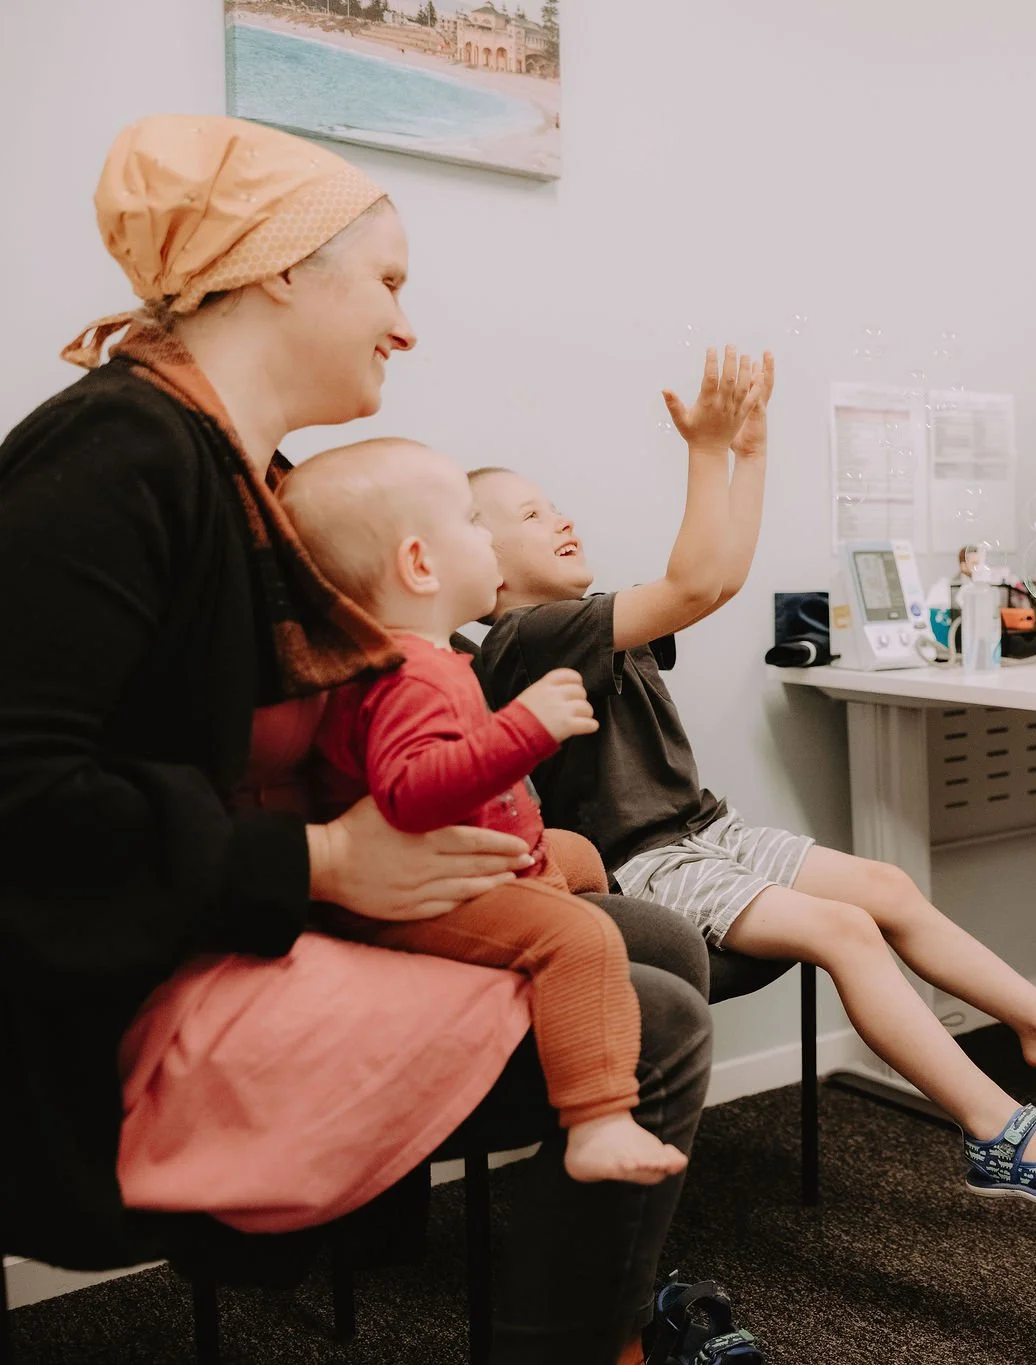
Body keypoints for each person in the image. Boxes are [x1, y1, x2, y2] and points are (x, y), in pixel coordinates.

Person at [0, 115, 714, 1365]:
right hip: (118, 980)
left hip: (231, 902)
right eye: (387, 280)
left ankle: (602, 1305)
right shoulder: (118, 453)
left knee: (652, 938)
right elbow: (21, 790)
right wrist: (324, 865)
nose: (405, 322)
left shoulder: (240, 466)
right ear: (280, 268)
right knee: (653, 1016)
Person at [468, 349, 1036, 1205]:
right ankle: (995, 1131)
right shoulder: (523, 637)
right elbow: (687, 585)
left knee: (886, 886)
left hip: (704, 829)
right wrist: (705, 448)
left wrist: (748, 453)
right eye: (531, 513)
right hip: (643, 863)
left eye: (555, 503)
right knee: (846, 930)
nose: (560, 517)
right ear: (480, 564)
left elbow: (712, 582)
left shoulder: (583, 619)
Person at [280, 439, 694, 1186]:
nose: (488, 538)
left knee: (578, 855)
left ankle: (559, 937)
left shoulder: (432, 658)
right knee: (580, 936)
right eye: (475, 523)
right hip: (429, 896)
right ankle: (596, 1118)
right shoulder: (408, 675)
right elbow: (411, 791)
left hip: (494, 853)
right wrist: (523, 729)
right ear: (420, 565)